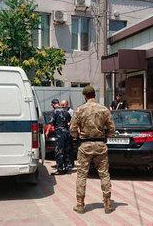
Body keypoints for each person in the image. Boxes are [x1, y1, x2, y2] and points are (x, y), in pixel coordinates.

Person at [70, 85, 116, 214]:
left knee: (81, 175)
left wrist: (77, 136)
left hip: (85, 146)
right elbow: (112, 129)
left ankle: (80, 205)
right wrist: (105, 135)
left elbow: (73, 130)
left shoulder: (79, 110)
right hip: (100, 145)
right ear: (94, 95)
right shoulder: (104, 109)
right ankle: (107, 204)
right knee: (104, 174)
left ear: (84, 96)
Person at [48, 99, 71, 175]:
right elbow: (69, 123)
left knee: (59, 151)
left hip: (60, 133)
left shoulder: (55, 112)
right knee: (67, 150)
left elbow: (51, 122)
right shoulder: (66, 111)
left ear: (53, 104)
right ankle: (68, 168)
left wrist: (47, 131)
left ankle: (60, 169)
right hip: (67, 133)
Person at [60, 100, 75, 170]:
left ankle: (71, 164)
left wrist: (70, 124)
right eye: (61, 105)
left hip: (69, 132)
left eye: (63, 105)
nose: (62, 106)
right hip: (63, 133)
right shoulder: (61, 111)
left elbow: (74, 121)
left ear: (67, 104)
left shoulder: (71, 112)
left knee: (69, 149)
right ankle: (64, 163)